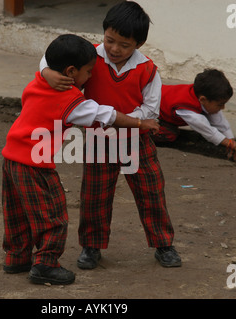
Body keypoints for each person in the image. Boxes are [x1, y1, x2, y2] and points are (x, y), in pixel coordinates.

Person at [1, 34, 159, 285]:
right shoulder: (70, 100)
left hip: (11, 158)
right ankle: (46, 264)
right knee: (53, 215)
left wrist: (45, 73)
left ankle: (16, 257)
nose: (90, 77)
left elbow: (46, 64)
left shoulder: (38, 81)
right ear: (71, 72)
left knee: (17, 212)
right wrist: (140, 122)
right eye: (88, 72)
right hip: (34, 164)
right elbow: (104, 114)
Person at [40, 1, 182, 270]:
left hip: (135, 141)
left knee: (151, 191)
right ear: (103, 33)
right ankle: (91, 247)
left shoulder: (148, 70)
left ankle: (164, 244)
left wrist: (114, 119)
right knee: (95, 195)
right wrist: (47, 72)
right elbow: (50, 58)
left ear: (138, 45)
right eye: (110, 40)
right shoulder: (90, 56)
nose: (115, 49)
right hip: (98, 141)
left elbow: (150, 111)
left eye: (124, 45)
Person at [152, 69, 236, 162]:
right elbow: (208, 131)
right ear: (203, 100)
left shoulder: (203, 97)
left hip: (162, 111)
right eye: (220, 104)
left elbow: (220, 122)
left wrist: (231, 142)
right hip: (146, 111)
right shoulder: (189, 111)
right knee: (169, 134)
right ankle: (141, 136)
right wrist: (232, 145)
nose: (223, 108)